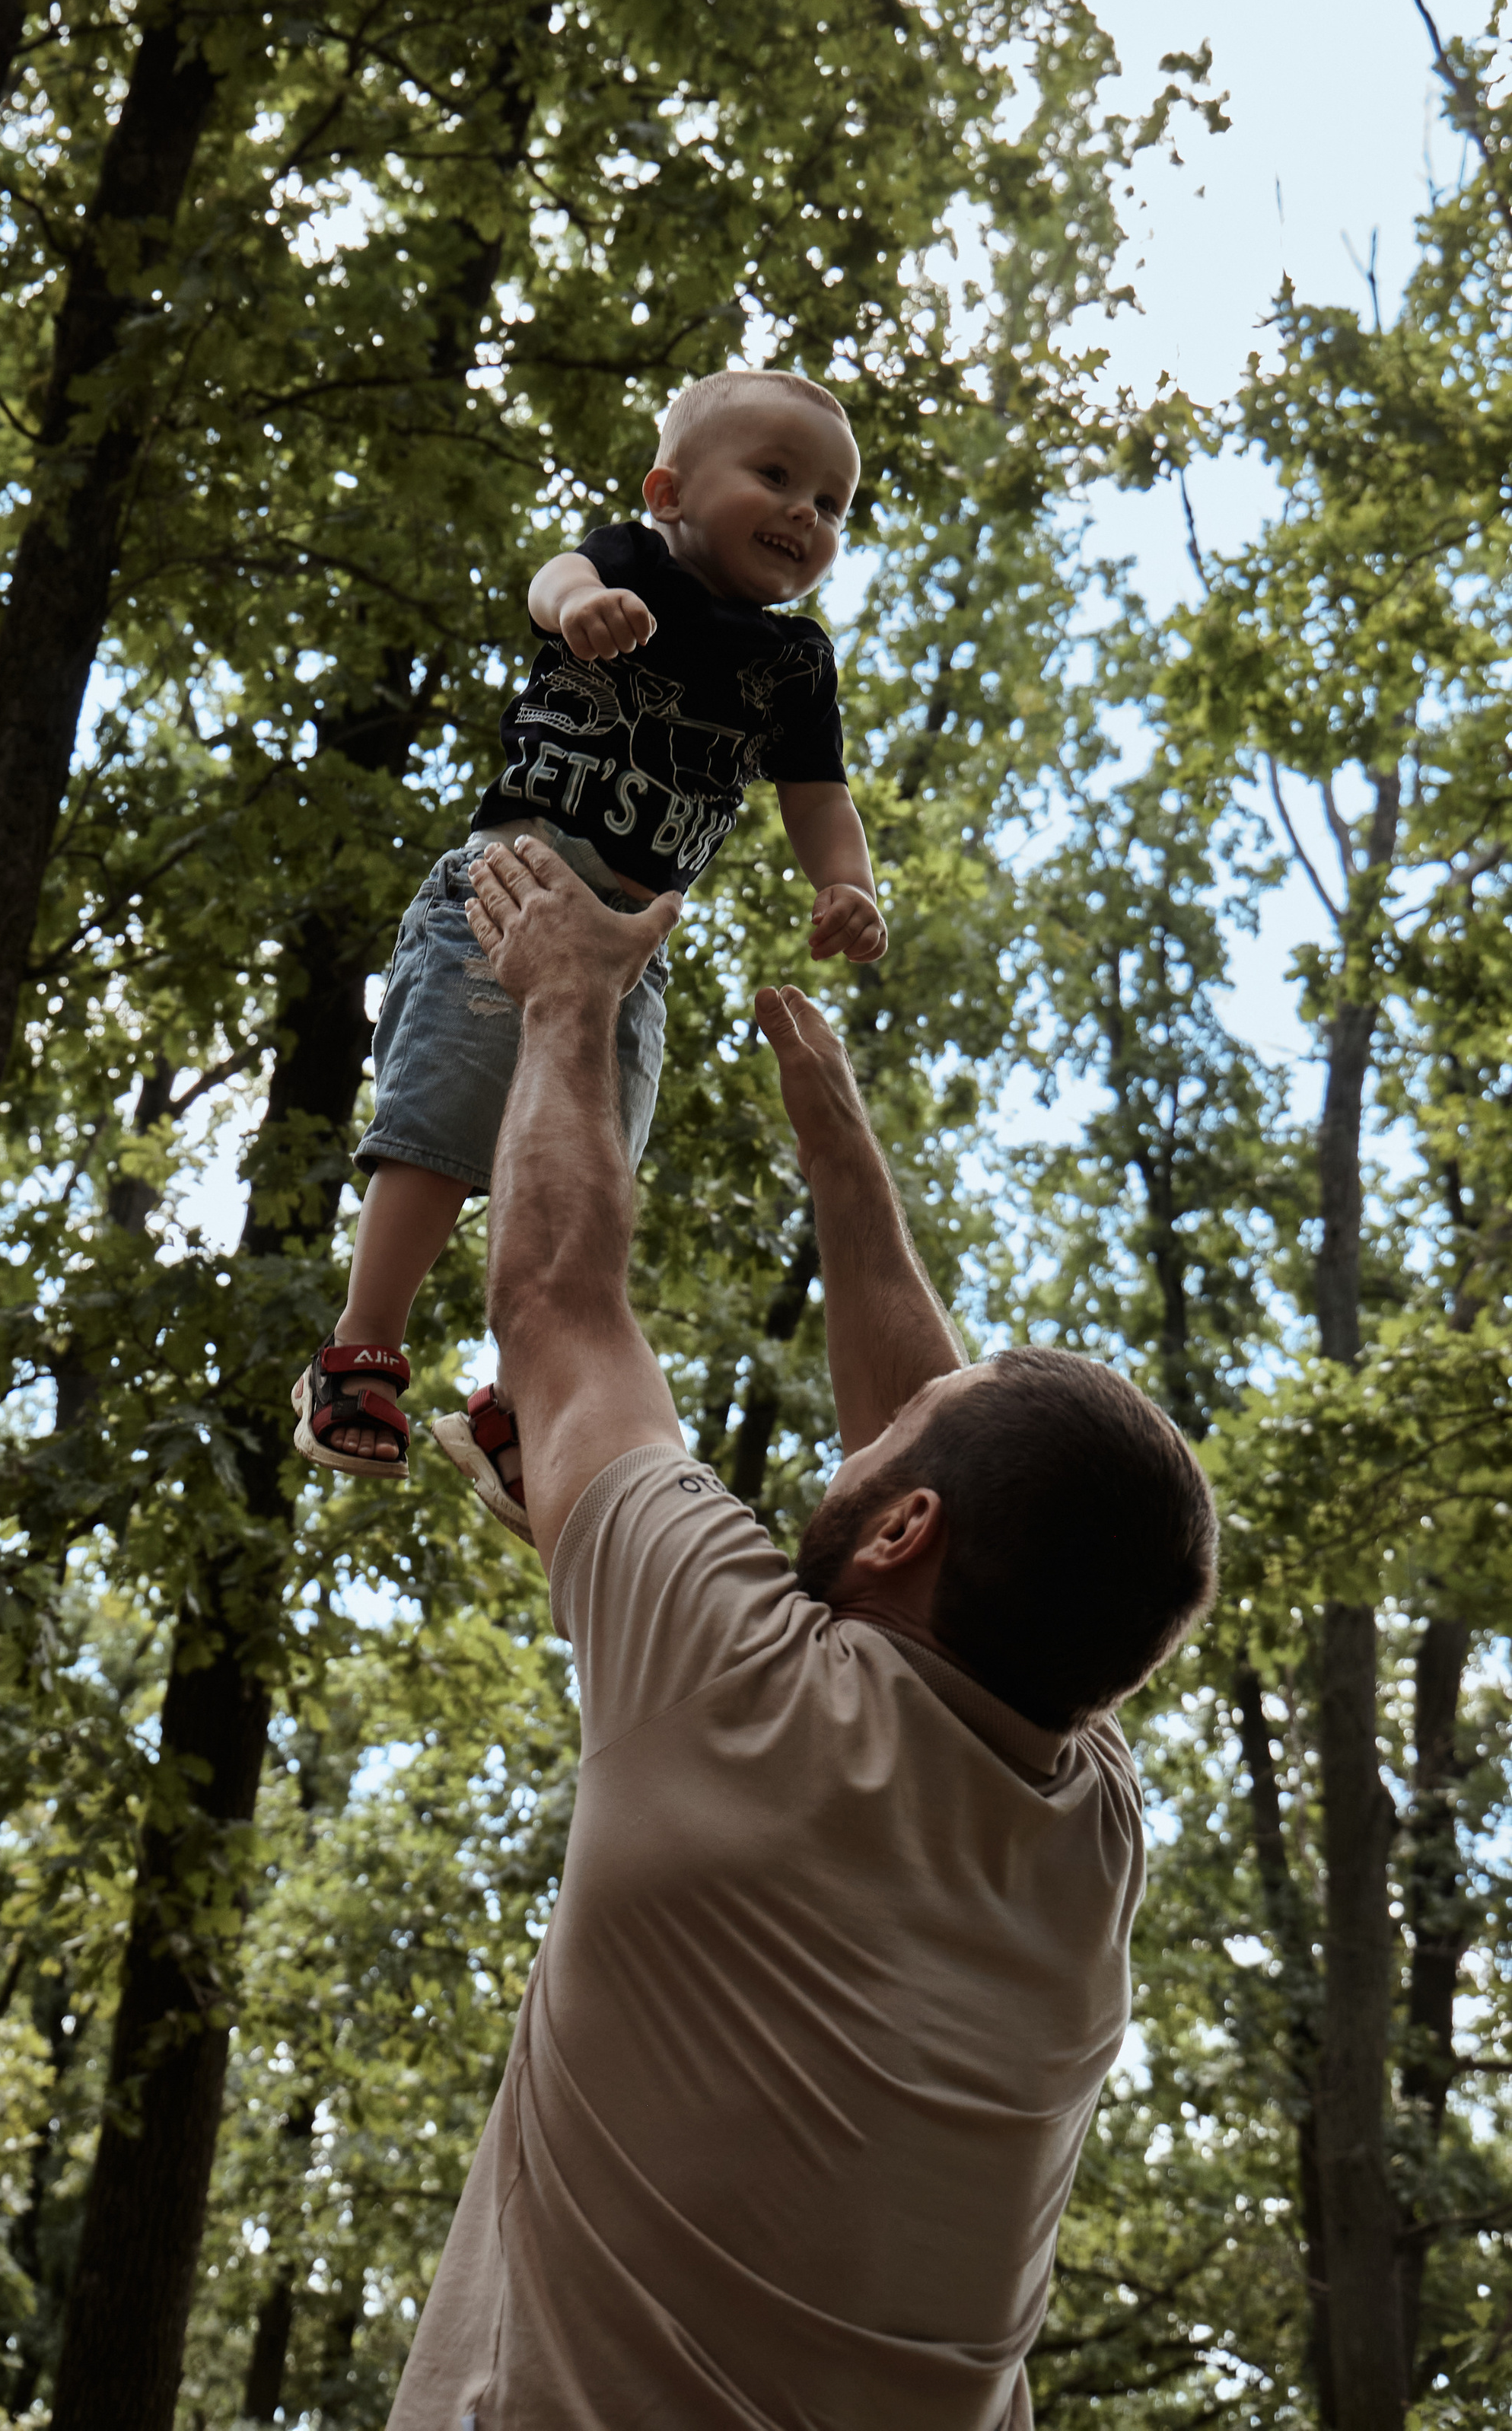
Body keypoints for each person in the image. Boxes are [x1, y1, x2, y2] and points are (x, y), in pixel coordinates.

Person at [388, 835, 1219, 2431]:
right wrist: (837, 1150)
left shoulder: (738, 1683)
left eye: (887, 1439)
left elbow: (558, 1302)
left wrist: (564, 998)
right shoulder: (1084, 1833)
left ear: (904, 1532)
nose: (862, 1435)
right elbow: (988, 1493)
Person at [290, 368, 888, 1498]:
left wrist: (847, 884)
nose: (805, 512)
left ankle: (520, 1410)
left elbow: (818, 798)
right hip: (512, 888)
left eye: (832, 503)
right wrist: (575, 609)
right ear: (669, 492)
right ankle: (359, 1353)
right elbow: (552, 578)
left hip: (626, 953)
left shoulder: (796, 662)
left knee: (588, 1175)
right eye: (776, 476)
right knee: (443, 1122)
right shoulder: (630, 565)